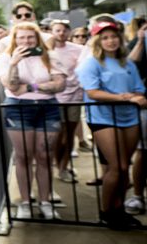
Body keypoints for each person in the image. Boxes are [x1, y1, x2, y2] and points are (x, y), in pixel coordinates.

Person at [76, 18, 147, 230]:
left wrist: (135, 97)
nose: (110, 41)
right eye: (105, 37)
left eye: (114, 36)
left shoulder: (127, 63)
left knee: (125, 168)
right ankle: (107, 212)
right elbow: (93, 92)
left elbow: (139, 90)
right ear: (98, 41)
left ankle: (119, 210)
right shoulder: (91, 63)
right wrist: (126, 98)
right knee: (117, 167)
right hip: (103, 118)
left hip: (129, 118)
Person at [0, 22, 65, 220]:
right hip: (18, 109)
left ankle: (45, 201)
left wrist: (31, 87)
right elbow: (11, 85)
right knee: (23, 156)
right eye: (21, 37)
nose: (26, 41)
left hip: (48, 109)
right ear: (15, 40)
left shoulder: (49, 56)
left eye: (30, 38)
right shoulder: (6, 58)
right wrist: (14, 63)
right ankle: (25, 202)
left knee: (44, 156)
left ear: (37, 39)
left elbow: (60, 84)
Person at [47, 19, 86, 185]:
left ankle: (64, 166)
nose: (61, 33)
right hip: (55, 98)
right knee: (58, 135)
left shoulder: (79, 49)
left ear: (69, 32)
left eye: (64, 30)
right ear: (52, 32)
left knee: (69, 134)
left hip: (74, 96)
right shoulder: (47, 51)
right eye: (57, 30)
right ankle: (58, 164)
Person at [125, 17, 146, 211]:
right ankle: (138, 196)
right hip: (145, 105)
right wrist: (140, 40)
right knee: (143, 151)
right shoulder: (140, 40)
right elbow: (130, 65)